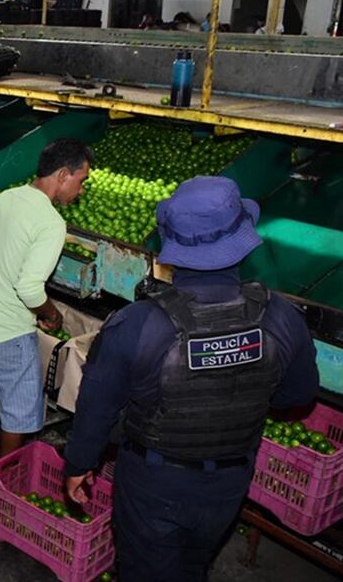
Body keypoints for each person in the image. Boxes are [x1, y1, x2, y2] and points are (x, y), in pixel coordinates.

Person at [63, 176, 319, 581]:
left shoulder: (137, 324)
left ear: (173, 246)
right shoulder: (281, 317)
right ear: (242, 236)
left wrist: (78, 463)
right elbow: (298, 395)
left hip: (152, 484)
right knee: (193, 566)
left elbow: (96, 408)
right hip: (228, 485)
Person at [0, 139, 91, 469]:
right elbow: (29, 288)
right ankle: (5, 478)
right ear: (62, 175)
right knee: (17, 411)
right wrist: (51, 314)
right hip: (8, 332)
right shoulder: (50, 222)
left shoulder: (5, 198)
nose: (82, 190)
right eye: (82, 180)